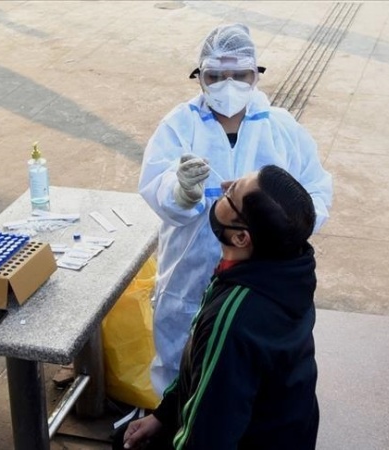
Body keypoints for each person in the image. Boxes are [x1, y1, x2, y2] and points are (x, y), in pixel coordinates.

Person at [138, 23, 333, 395]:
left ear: (255, 75)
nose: (227, 86)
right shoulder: (179, 126)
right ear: (199, 77)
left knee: (249, 368)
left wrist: (283, 229)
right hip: (189, 276)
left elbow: (315, 193)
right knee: (181, 362)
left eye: (240, 75)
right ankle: (175, 417)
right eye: (215, 76)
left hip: (262, 280)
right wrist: (180, 193)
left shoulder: (282, 129)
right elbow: (155, 184)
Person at [122, 165, 320, 450]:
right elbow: (202, 372)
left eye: (231, 195)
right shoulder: (287, 274)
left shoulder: (233, 317)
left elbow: (208, 435)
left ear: (241, 238)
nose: (224, 186)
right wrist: (164, 416)